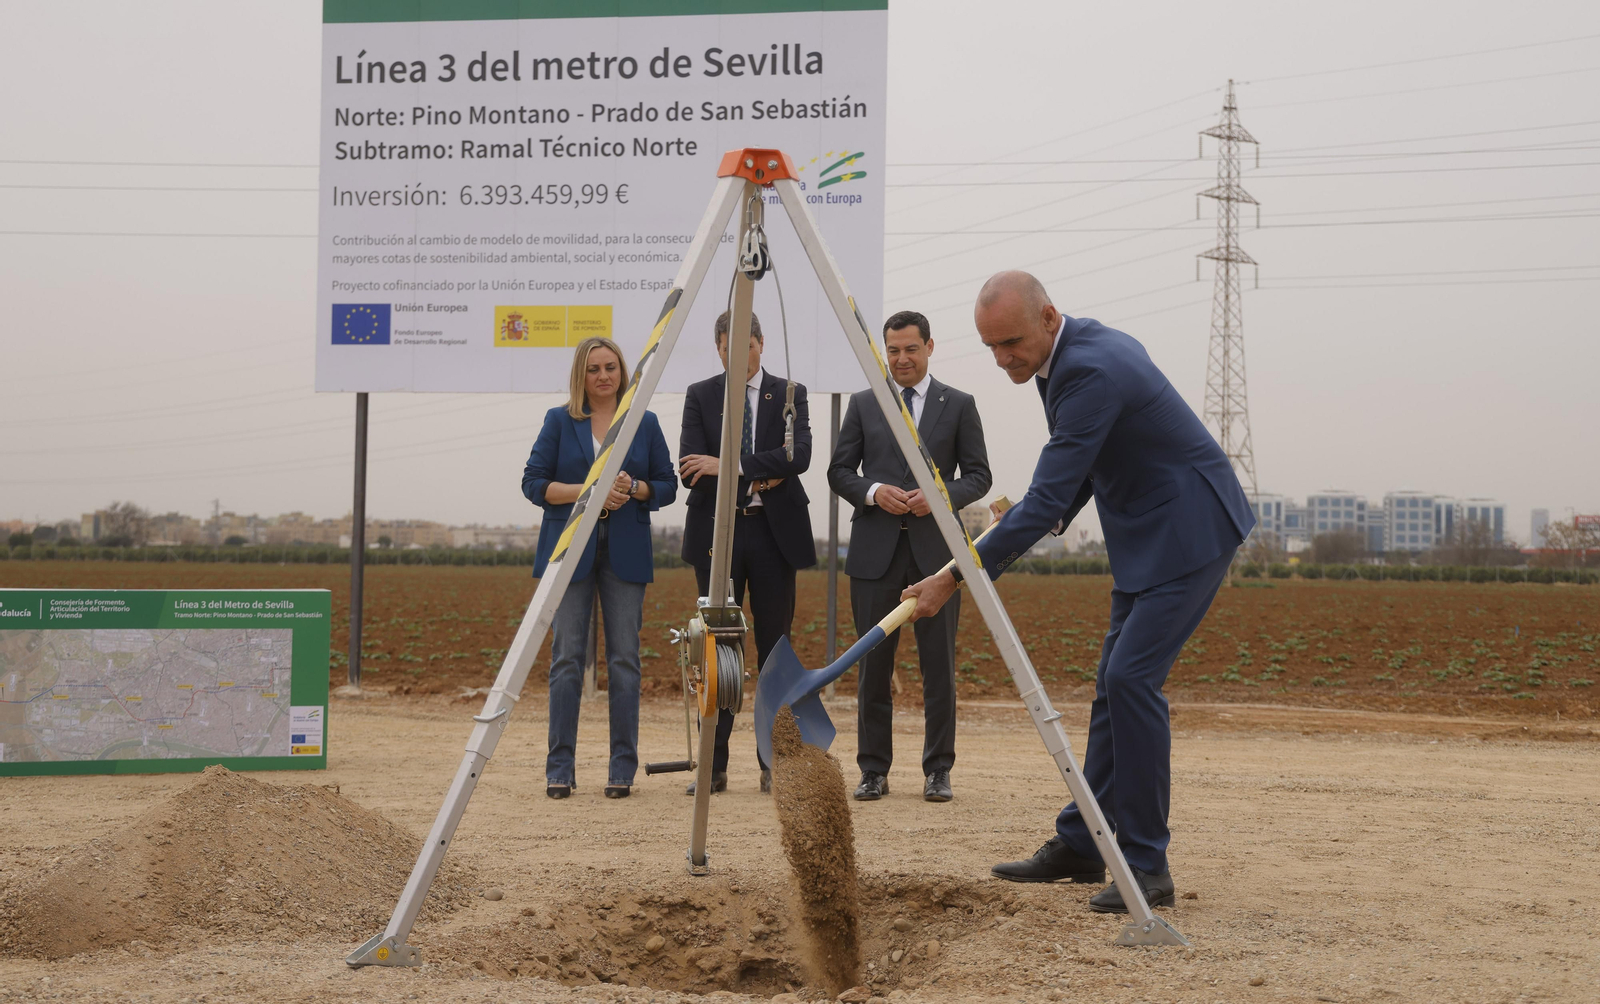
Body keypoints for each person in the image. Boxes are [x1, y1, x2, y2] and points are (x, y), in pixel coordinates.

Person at [901, 271, 1254, 913]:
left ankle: (1145, 866)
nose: (1005, 358)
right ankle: (1085, 842)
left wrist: (954, 577)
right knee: (1110, 685)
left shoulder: (1090, 370)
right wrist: (1045, 509)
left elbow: (1050, 490)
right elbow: (1085, 460)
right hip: (1149, 531)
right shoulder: (1070, 354)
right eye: (991, 348)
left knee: (1131, 683)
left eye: (1011, 342)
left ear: (1048, 318)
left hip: (1190, 531)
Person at [827, 310, 990, 803]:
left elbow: (978, 477)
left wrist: (937, 497)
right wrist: (875, 491)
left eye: (910, 349)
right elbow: (839, 471)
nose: (901, 358)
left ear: (929, 347)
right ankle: (873, 770)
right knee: (873, 668)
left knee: (938, 667)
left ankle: (938, 770)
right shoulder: (864, 403)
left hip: (938, 559)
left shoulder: (959, 405)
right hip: (874, 556)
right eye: (892, 350)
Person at [522, 336, 677, 801]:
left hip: (626, 553)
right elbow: (533, 484)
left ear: (622, 371)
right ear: (581, 376)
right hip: (570, 551)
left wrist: (636, 487)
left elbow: (668, 486)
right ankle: (560, 769)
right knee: (567, 659)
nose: (604, 376)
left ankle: (621, 769)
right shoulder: (559, 420)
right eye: (594, 369)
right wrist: (587, 490)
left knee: (625, 662)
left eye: (611, 367)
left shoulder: (643, 422)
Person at [679, 309, 816, 794]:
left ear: (759, 343)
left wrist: (730, 466)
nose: (736, 355)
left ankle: (771, 762)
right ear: (718, 348)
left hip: (774, 536)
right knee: (718, 653)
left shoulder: (789, 394)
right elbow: (691, 469)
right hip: (720, 536)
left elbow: (798, 457)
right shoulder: (701, 396)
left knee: (775, 649)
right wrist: (758, 473)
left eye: (745, 346)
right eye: (725, 348)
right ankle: (713, 766)